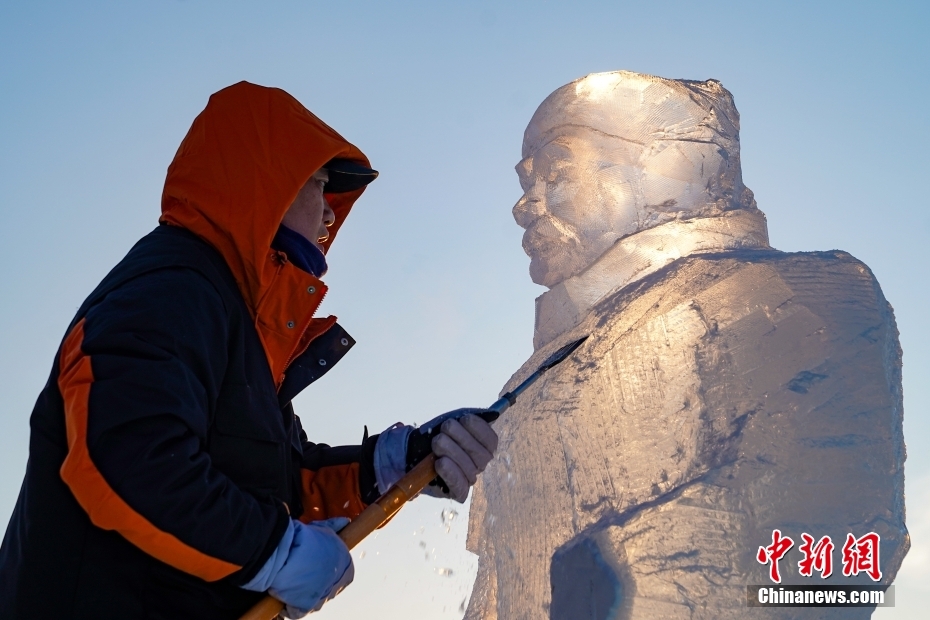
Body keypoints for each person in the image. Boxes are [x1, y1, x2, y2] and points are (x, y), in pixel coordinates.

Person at [0, 81, 498, 620]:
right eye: (320, 185)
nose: (330, 216)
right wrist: (271, 553)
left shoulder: (234, 327)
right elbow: (125, 456)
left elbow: (289, 487)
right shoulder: (171, 290)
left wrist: (398, 462)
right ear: (271, 186)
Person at [464, 71, 907, 619]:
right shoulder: (528, 385)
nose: (525, 205)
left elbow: (837, 551)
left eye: (556, 170)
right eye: (526, 180)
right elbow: (497, 590)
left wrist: (622, 579)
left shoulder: (800, 293)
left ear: (661, 165)